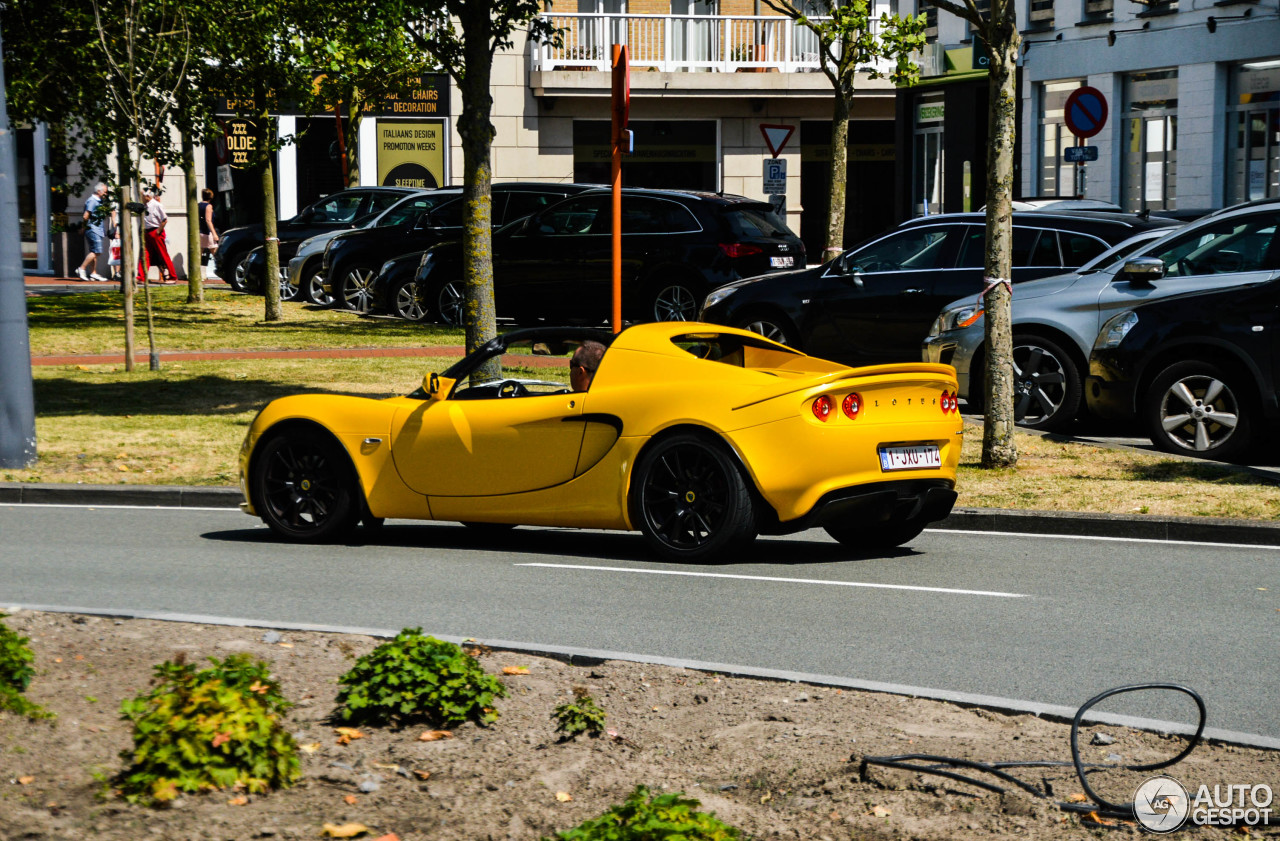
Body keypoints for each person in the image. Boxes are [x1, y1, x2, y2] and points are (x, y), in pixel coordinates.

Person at [137, 187, 178, 284]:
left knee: (163, 254)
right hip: (147, 232)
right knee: (145, 254)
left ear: (147, 196)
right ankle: (141, 276)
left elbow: (164, 219)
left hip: (155, 231)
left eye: (142, 196)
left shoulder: (156, 205)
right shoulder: (144, 205)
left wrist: (158, 231)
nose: (141, 198)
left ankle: (173, 276)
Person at [76, 183, 109, 282]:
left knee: (93, 251)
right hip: (93, 229)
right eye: (105, 192)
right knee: (97, 251)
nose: (106, 194)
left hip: (96, 229)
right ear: (99, 191)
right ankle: (81, 268)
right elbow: (86, 216)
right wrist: (84, 227)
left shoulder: (98, 201)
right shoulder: (92, 201)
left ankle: (93, 273)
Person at [197, 188, 219, 276]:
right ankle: (222, 270)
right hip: (207, 232)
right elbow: (208, 220)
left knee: (199, 253)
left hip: (200, 231)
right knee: (215, 252)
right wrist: (214, 234)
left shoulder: (198, 205)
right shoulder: (209, 206)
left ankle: (196, 273)